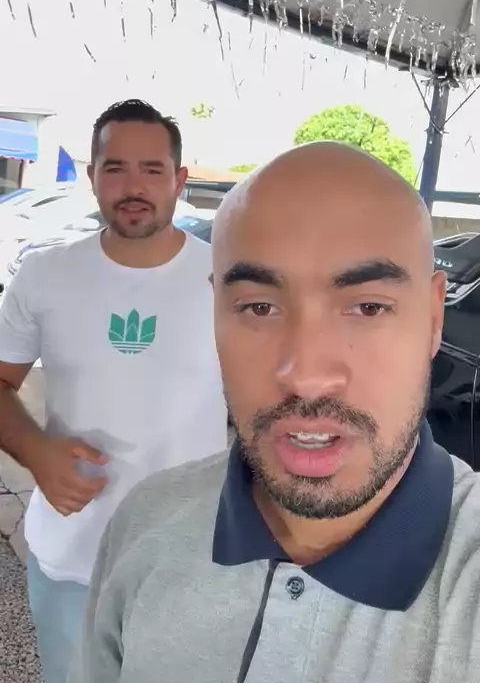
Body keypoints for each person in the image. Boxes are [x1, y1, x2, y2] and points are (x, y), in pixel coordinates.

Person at [70, 141, 480, 683]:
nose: (305, 375)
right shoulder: (146, 521)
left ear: (432, 319)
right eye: (259, 307)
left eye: (368, 307)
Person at [0, 99, 227, 683]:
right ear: (92, 176)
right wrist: (38, 453)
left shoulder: (228, 280)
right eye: (115, 168)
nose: (134, 187)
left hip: (190, 557)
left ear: (179, 179)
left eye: (152, 169)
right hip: (70, 557)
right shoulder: (44, 274)